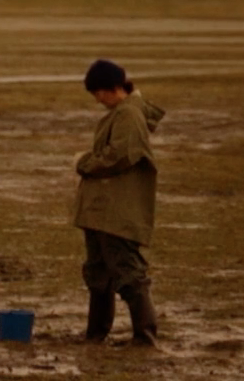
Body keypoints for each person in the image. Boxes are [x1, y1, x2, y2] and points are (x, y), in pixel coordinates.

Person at [72, 58, 165, 347]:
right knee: (99, 273)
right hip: (103, 211)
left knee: (128, 272)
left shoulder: (128, 115)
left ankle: (145, 334)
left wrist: (84, 163)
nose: (97, 99)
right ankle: (96, 332)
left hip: (117, 212)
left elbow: (121, 155)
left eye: (98, 92)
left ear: (113, 88)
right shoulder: (122, 113)